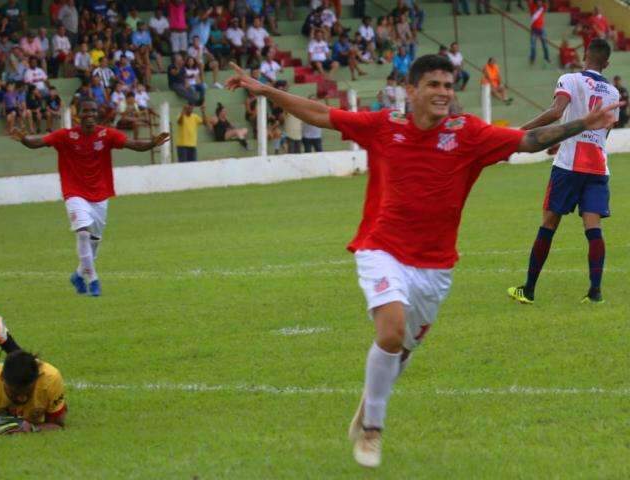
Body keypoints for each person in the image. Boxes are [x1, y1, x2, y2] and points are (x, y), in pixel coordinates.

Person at [225, 55, 619, 468]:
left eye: (448, 86)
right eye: (433, 85)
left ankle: (369, 401)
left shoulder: (467, 134)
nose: (443, 93)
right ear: (411, 91)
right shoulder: (384, 126)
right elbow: (322, 113)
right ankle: (373, 429)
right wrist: (268, 91)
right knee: (392, 332)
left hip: (435, 267)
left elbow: (527, 142)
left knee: (403, 349)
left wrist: (580, 124)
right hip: (381, 249)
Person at [10, 98, 170, 297]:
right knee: (83, 234)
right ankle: (94, 281)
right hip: (74, 192)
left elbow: (133, 144)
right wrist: (25, 139)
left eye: (94, 111)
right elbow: (39, 142)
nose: (91, 115)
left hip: (100, 194)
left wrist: (151, 143)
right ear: (79, 115)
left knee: (94, 242)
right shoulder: (65, 136)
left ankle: (78, 275)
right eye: (86, 111)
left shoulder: (106, 134)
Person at [508, 39, 620, 305]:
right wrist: (560, 141)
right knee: (593, 228)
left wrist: (520, 131)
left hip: (569, 165)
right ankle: (595, 292)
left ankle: (529, 289)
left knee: (548, 224)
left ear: (584, 56)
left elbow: (556, 112)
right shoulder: (613, 93)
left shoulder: (570, 79)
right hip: (596, 167)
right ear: (606, 63)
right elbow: (602, 133)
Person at [0, 314, 67, 433]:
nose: (22, 398)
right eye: (15, 392)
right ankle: (5, 339)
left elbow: (58, 425)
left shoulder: (49, 379)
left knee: (26, 364)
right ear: (2, 379)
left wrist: (32, 428)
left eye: (27, 391)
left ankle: (4, 338)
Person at [528, 0, 550, 65]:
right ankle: (532, 58)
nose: (539, 2)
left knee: (545, 45)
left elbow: (547, 3)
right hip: (534, 29)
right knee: (533, 45)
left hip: (541, 28)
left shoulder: (543, 7)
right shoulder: (532, 6)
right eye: (538, 1)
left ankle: (546, 57)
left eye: (540, 1)